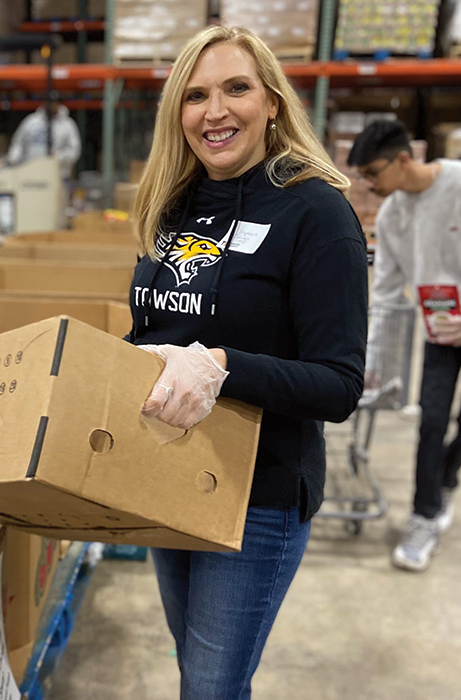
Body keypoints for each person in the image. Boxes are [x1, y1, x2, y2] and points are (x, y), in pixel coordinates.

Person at [126, 25, 368, 699]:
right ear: (178, 113)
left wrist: (225, 364)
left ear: (272, 103)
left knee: (209, 686)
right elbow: (156, 331)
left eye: (237, 88)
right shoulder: (171, 206)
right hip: (164, 474)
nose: (216, 111)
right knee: (199, 672)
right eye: (196, 95)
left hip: (256, 494)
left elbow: (340, 384)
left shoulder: (315, 211)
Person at [348, 120, 461, 572]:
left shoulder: (457, 183)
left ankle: (447, 473)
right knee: (430, 421)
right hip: (439, 333)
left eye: (374, 172)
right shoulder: (393, 217)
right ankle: (424, 515)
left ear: (403, 159)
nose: (370, 185)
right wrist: (370, 361)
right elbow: (389, 293)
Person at [6, 93, 81, 180]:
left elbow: (74, 151)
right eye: (48, 102)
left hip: (57, 175)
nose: (51, 106)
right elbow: (18, 142)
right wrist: (13, 159)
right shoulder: (31, 122)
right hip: (30, 174)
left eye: (54, 103)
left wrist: (59, 157)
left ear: (59, 105)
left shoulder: (68, 125)